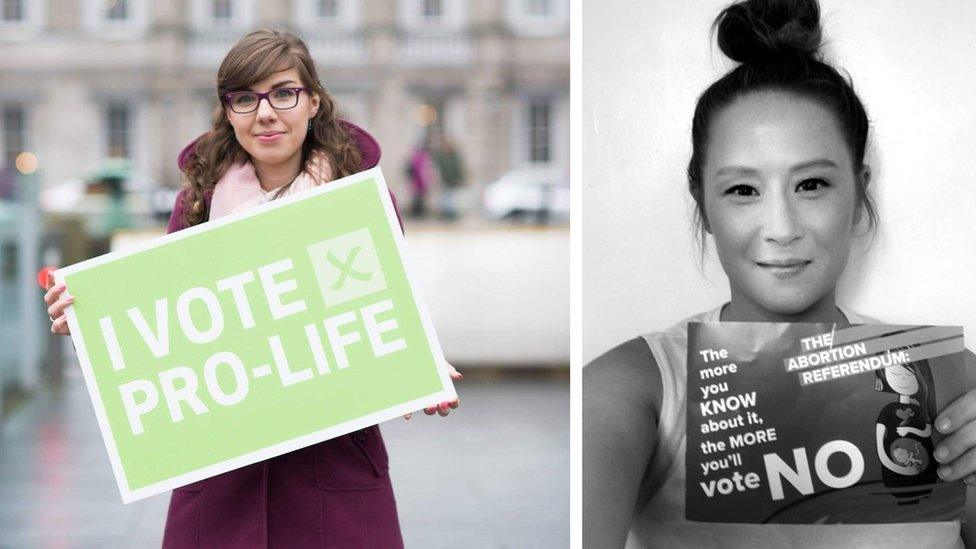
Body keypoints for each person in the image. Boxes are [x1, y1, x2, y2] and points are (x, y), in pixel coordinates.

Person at [43, 28, 461, 548]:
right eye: (245, 98)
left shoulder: (361, 201)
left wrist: (416, 363)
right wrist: (89, 320)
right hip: (222, 482)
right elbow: (169, 327)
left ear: (313, 102)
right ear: (228, 111)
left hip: (331, 474)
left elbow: (376, 305)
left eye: (283, 93)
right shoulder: (195, 204)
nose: (265, 113)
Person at [583, 1, 976, 547]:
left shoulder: (953, 382)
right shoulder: (634, 389)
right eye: (743, 190)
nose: (782, 229)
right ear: (703, 204)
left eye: (811, 184)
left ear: (859, 193)